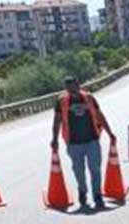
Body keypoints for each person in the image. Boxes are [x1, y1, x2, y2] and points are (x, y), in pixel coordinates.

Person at [50, 76, 116, 210]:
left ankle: (97, 196)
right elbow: (57, 121)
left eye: (74, 85)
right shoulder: (61, 101)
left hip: (92, 140)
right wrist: (54, 139)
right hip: (73, 143)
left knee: (95, 169)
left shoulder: (89, 98)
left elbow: (99, 115)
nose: (72, 88)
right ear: (66, 88)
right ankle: (82, 191)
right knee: (79, 171)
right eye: (68, 87)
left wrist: (110, 133)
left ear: (78, 85)